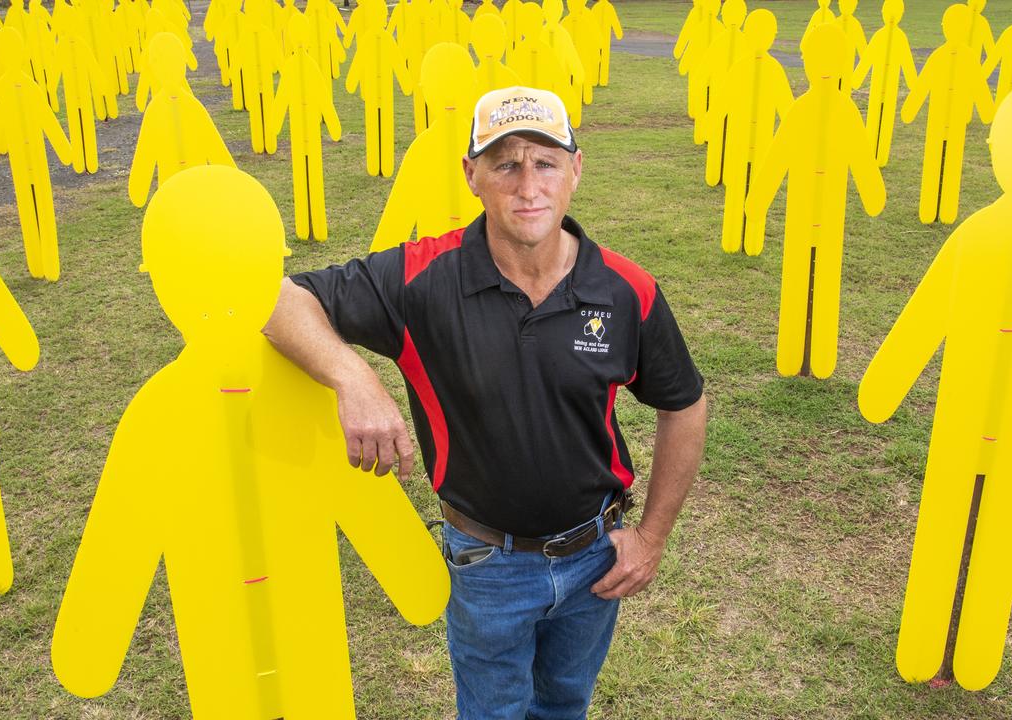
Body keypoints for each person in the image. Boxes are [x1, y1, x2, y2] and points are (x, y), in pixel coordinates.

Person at [263, 86, 708, 720]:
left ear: (576, 170)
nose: (529, 185)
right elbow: (278, 300)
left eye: (546, 162)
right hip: (485, 565)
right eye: (506, 163)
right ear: (472, 175)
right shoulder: (421, 278)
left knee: (564, 706)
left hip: (595, 558)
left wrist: (653, 536)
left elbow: (684, 405)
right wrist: (352, 376)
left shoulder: (624, 289)